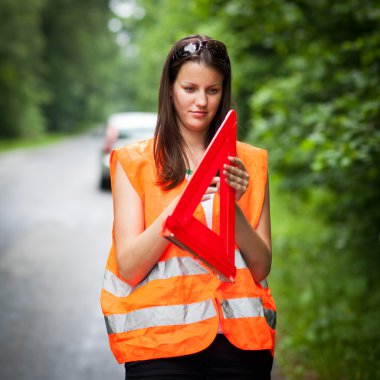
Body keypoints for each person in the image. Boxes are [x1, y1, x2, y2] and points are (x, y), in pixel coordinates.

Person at [101, 34, 276, 379]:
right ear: (170, 88)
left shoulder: (250, 163)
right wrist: (182, 207)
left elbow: (261, 268)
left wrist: (232, 207)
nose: (201, 102)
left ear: (223, 92)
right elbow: (131, 266)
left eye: (212, 90)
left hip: (241, 344)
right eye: (189, 89)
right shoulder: (134, 162)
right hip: (159, 347)